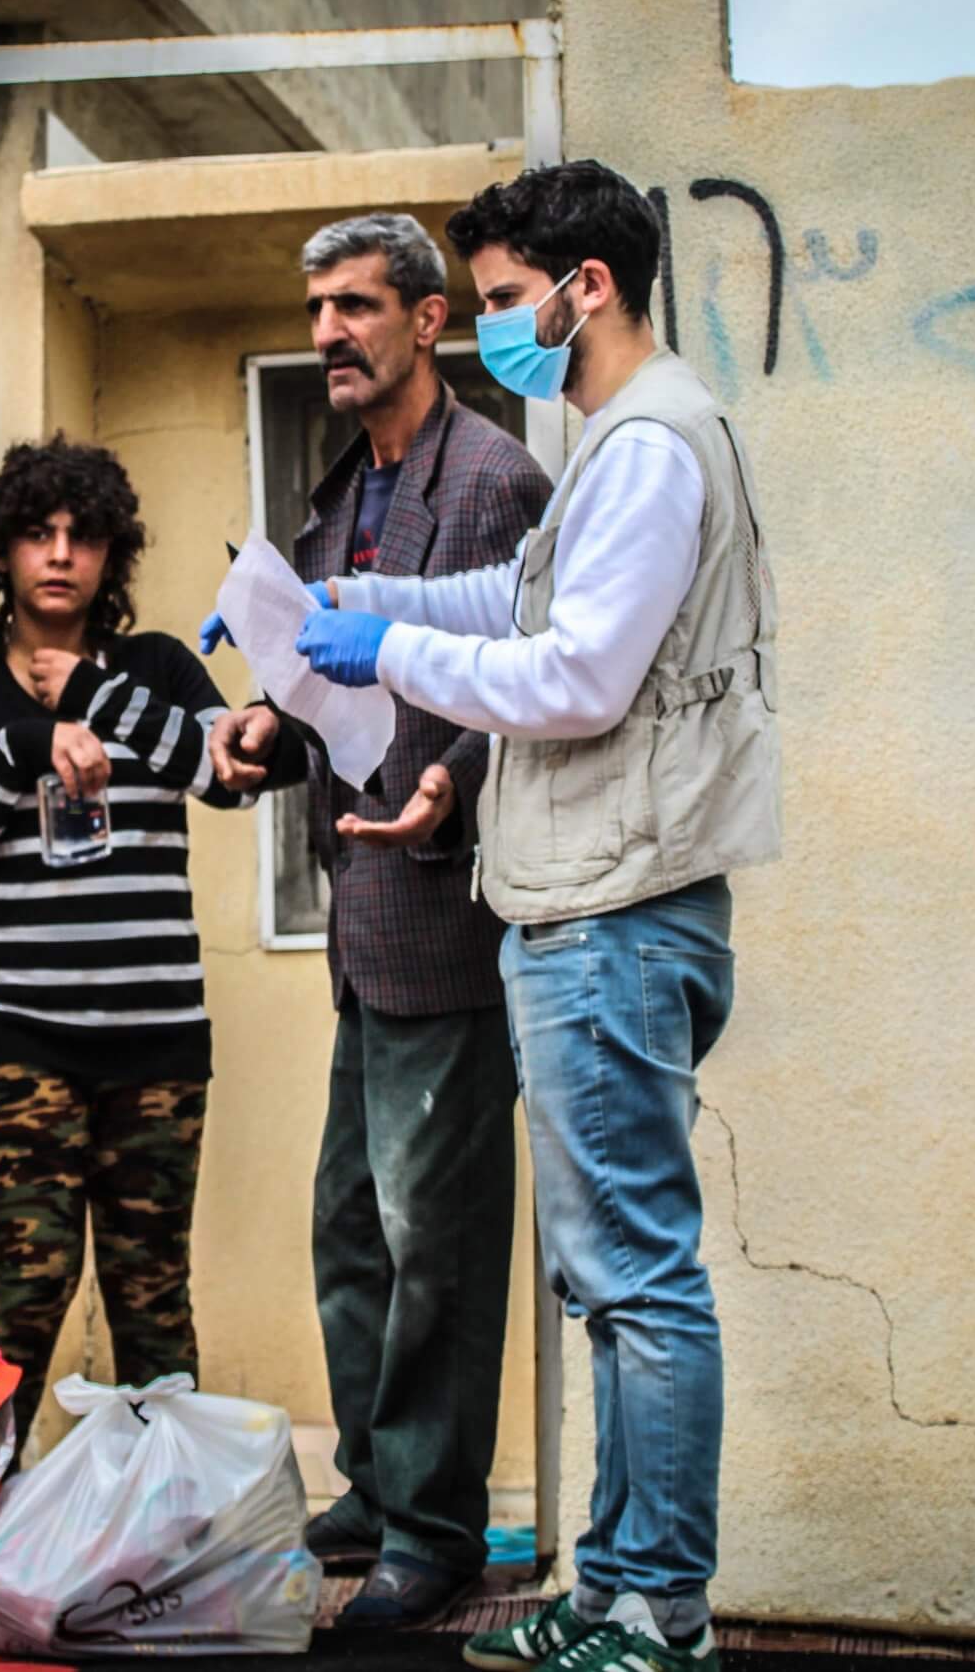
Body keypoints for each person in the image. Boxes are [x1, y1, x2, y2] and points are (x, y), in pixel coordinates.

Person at [272, 160, 783, 1672]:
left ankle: (654, 1607)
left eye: (501, 302)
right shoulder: (628, 439)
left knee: (635, 1277)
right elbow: (516, 605)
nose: (495, 329)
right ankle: (621, 1587)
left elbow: (575, 678)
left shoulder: (646, 446)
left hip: (616, 913)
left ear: (588, 287)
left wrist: (396, 661)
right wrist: (375, 619)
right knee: (611, 1279)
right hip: (590, 908)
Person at [202, 214, 551, 1629]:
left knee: (436, 1238)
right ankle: (374, 1476)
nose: (330, 331)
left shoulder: (501, 480)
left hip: (448, 911)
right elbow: (324, 686)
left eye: (356, 306)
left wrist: (449, 786)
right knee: (352, 1224)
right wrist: (258, 736)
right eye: (316, 308)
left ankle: (436, 1522)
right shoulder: (336, 488)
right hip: (361, 914)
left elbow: (535, 679)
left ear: (424, 318)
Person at [0, 437, 255, 1450]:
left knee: (153, 1301)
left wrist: (93, 700)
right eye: (36, 534)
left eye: (83, 536)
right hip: (20, 1039)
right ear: (5, 554)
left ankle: (159, 1543)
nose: (59, 555)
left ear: (112, 555)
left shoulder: (155, 670)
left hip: (157, 1040)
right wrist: (21, 744)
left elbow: (224, 774)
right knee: (30, 1284)